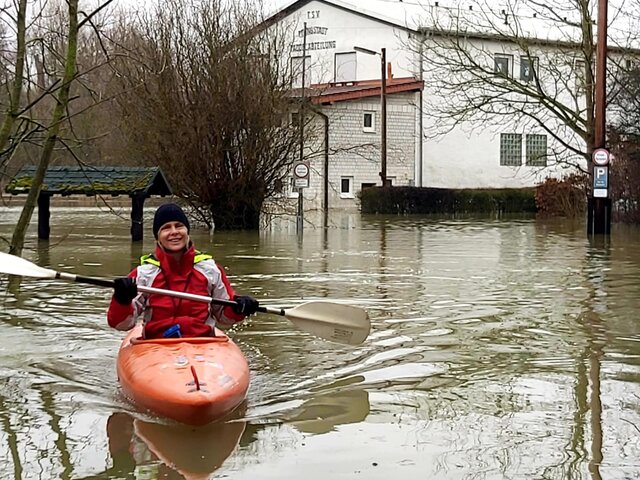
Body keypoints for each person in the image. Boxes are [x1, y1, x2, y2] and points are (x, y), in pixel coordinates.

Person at [107, 203, 259, 339]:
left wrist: (239, 308)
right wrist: (121, 300)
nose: (174, 232)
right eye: (166, 228)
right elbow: (121, 324)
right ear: (157, 238)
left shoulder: (210, 269)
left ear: (187, 232)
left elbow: (224, 317)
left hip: (201, 342)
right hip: (156, 345)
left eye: (179, 226)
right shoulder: (144, 274)